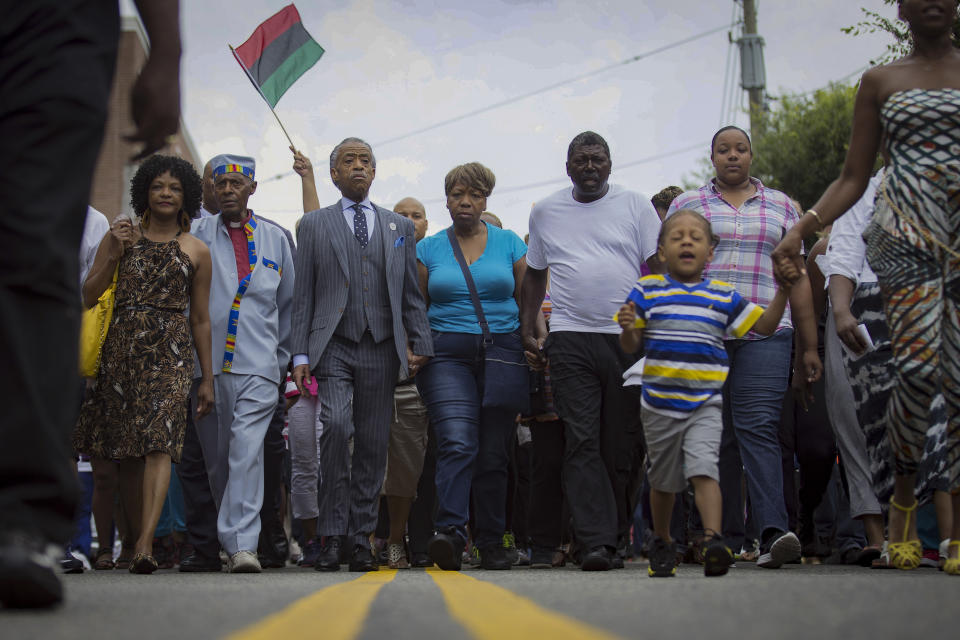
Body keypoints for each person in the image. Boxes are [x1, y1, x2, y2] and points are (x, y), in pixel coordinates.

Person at [0, 0, 180, 607]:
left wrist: (167, 51)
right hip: (124, 352)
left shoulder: (182, 244)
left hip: (55, 29)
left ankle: (20, 521)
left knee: (32, 251)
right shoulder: (114, 234)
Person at [772, 0, 960, 574]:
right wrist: (803, 229)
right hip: (904, 236)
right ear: (901, 8)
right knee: (921, 374)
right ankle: (902, 493)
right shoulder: (881, 81)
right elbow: (854, 176)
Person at [666, 125, 822, 568]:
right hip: (703, 334)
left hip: (767, 333)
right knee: (714, 436)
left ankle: (773, 533)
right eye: (723, 149)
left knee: (757, 428)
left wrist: (809, 346)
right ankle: (722, 536)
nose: (732, 156)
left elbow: (798, 277)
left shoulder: (782, 206)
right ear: (712, 156)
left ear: (751, 156)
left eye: (741, 149)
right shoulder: (687, 205)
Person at [616, 209, 792, 577]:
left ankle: (715, 541)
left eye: (695, 237)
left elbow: (765, 325)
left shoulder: (723, 295)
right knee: (663, 481)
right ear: (661, 251)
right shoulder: (648, 290)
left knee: (703, 470)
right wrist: (629, 327)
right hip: (660, 403)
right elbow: (632, 345)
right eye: (676, 236)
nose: (686, 241)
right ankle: (662, 539)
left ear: (710, 252)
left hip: (706, 403)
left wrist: (784, 291)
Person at [290, 137, 432, 572]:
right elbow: (304, 295)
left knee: (372, 445)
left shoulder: (398, 228)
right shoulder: (313, 225)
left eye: (365, 161)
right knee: (334, 426)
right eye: (348, 161)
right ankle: (331, 536)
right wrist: (298, 354)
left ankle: (358, 540)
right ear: (333, 174)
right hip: (332, 344)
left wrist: (420, 342)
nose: (358, 167)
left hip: (381, 347)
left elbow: (410, 292)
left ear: (374, 172)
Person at [520, 131, 660, 571]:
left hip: (627, 338)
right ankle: (596, 542)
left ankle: (614, 535)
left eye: (598, 159)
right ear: (568, 168)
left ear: (610, 164)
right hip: (570, 337)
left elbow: (657, 268)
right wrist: (529, 328)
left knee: (622, 446)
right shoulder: (546, 211)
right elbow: (535, 276)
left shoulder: (635, 205)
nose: (590, 167)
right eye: (581, 160)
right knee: (581, 442)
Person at [74, 154, 214, 575]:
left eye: (174, 187)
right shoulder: (121, 237)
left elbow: (201, 318)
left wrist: (206, 378)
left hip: (170, 354)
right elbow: (88, 294)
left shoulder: (197, 250)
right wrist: (115, 252)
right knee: (126, 453)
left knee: (159, 445)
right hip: (121, 352)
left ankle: (145, 544)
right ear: (145, 193)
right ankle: (135, 536)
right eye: (158, 187)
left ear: (186, 194)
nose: (166, 193)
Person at [415, 163, 529, 571]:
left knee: (495, 452)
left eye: (475, 195)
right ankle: (449, 534)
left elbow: (526, 302)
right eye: (457, 194)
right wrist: (416, 347)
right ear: (446, 199)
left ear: (486, 201)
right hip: (445, 355)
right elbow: (418, 305)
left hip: (502, 353)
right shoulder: (427, 249)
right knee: (458, 441)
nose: (466, 202)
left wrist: (534, 339)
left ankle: (492, 541)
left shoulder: (511, 243)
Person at [190, 154, 296, 574]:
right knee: (219, 461)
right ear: (212, 191)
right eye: (221, 185)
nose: (228, 190)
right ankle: (230, 535)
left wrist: (280, 362)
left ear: (252, 188)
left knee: (247, 453)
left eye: (236, 183)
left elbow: (288, 307)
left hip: (259, 366)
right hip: (208, 367)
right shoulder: (195, 236)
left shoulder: (276, 239)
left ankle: (243, 547)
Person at [381, 196, 432, 569]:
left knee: (406, 469)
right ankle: (366, 538)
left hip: (414, 380)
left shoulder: (437, 263)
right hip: (370, 375)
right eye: (401, 215)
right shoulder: (376, 259)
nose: (409, 221)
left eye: (416, 215)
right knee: (361, 464)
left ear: (426, 225)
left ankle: (397, 540)